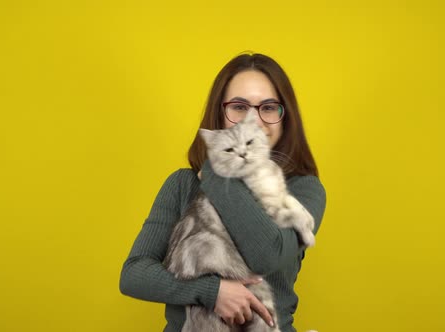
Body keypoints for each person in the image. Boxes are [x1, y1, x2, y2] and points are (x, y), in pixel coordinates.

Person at [119, 52, 326, 332]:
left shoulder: (303, 189)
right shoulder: (182, 184)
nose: (253, 120)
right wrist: (212, 291)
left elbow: (267, 255)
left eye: (268, 107)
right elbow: (134, 275)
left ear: (284, 116)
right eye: (239, 107)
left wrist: (216, 173)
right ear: (219, 112)